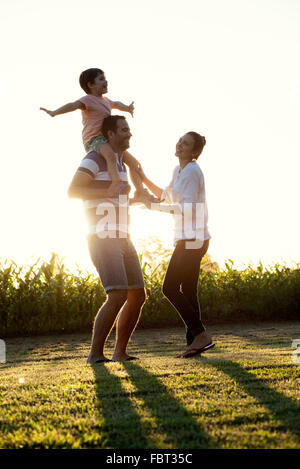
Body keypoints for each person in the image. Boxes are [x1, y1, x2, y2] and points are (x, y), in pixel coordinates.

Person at [68, 115, 146, 363]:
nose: (129, 133)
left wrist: (136, 200)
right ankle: (95, 355)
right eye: (124, 130)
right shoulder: (94, 159)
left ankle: (120, 352)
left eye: (129, 129)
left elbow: (116, 197)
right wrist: (109, 189)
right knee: (117, 294)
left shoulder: (120, 164)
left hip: (123, 236)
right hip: (102, 235)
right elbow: (73, 191)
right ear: (110, 134)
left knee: (138, 294)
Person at [138, 131, 214, 358]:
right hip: (191, 238)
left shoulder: (191, 171)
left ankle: (200, 335)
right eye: (180, 141)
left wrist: (152, 207)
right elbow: (166, 196)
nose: (180, 145)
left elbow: (186, 209)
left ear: (195, 152)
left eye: (186, 144)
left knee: (169, 288)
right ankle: (195, 343)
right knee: (188, 290)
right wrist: (142, 179)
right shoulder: (179, 170)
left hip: (193, 239)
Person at [41, 67, 152, 203]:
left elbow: (116, 104)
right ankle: (116, 183)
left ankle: (140, 192)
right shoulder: (88, 100)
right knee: (110, 156)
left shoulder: (105, 101)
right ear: (91, 85)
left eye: (105, 78)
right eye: (101, 79)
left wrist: (127, 108)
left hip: (106, 140)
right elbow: (72, 105)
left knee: (134, 164)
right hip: (93, 140)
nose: (105, 81)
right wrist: (54, 112)